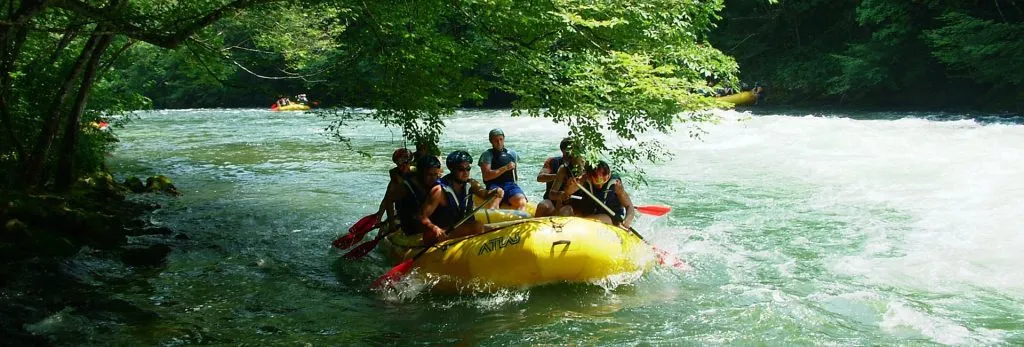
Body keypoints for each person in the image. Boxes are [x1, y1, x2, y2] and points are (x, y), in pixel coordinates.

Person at [420, 151, 502, 244]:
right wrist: (435, 229)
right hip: (443, 233)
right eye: (461, 169)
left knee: (494, 229)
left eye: (468, 169)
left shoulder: (471, 183)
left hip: (461, 229)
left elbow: (485, 194)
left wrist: (495, 191)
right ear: (452, 169)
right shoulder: (439, 190)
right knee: (478, 226)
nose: (465, 172)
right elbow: (422, 216)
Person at [378, 154, 441, 236]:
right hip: (410, 225)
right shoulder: (404, 186)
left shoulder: (436, 183)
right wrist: (391, 223)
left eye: (436, 175)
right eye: (430, 175)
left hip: (426, 220)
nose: (433, 179)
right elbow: (388, 200)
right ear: (420, 173)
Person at [568, 160, 635, 228]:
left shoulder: (616, 185)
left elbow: (629, 206)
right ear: (589, 177)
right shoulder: (584, 179)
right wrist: (570, 189)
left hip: (610, 219)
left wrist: (627, 221)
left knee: (602, 217)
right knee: (566, 210)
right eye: (597, 183)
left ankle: (578, 224)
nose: (600, 186)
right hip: (589, 215)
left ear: (609, 175)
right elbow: (565, 196)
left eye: (604, 181)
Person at [478, 128, 526, 210]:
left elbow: (515, 176)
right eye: (496, 140)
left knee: (522, 202)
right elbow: (486, 176)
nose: (499, 142)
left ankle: (520, 216)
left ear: (504, 139)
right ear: (491, 141)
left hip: (510, 185)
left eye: (501, 139)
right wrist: (505, 168)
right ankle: (493, 212)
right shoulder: (487, 155)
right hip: (494, 185)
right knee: (498, 196)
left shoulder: (512, 154)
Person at [535, 137, 584, 217]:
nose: (571, 155)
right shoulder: (552, 162)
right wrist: (558, 176)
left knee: (566, 210)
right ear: (562, 151)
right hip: (552, 201)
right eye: (568, 152)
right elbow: (540, 178)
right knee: (543, 206)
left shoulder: (583, 166)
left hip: (573, 203)